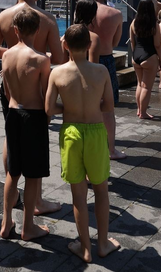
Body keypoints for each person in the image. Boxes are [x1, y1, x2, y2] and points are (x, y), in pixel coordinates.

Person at [0, 0, 65, 215]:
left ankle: (14, 192)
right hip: (38, 88)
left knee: (11, 137)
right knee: (36, 146)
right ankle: (37, 200)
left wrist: (13, 57)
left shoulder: (4, 16)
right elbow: (59, 60)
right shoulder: (48, 19)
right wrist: (36, 59)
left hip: (11, 87)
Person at [46, 25, 120, 263]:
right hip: (96, 132)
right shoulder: (101, 71)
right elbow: (109, 106)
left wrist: (69, 108)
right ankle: (104, 244)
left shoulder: (57, 73)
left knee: (78, 195)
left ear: (65, 45)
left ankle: (85, 248)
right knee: (101, 190)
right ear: (89, 45)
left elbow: (49, 109)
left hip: (70, 133)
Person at [0, 7, 51, 241]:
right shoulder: (41, 60)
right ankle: (28, 226)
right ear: (38, 30)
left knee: (13, 172)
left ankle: (5, 221)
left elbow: (8, 90)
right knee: (32, 175)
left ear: (16, 30)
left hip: (13, 114)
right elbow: (46, 95)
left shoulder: (6, 55)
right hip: (33, 116)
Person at [83, 0, 125, 160]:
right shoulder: (115, 14)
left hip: (84, 60)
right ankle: (111, 150)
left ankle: (87, 146)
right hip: (106, 60)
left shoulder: (84, 11)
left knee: (85, 104)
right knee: (107, 108)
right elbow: (115, 42)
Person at [130, 0, 160, 120]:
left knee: (139, 84)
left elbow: (132, 41)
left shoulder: (134, 22)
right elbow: (157, 44)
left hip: (136, 55)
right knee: (147, 87)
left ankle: (139, 109)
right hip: (149, 56)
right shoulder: (154, 24)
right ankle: (143, 112)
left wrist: (134, 54)